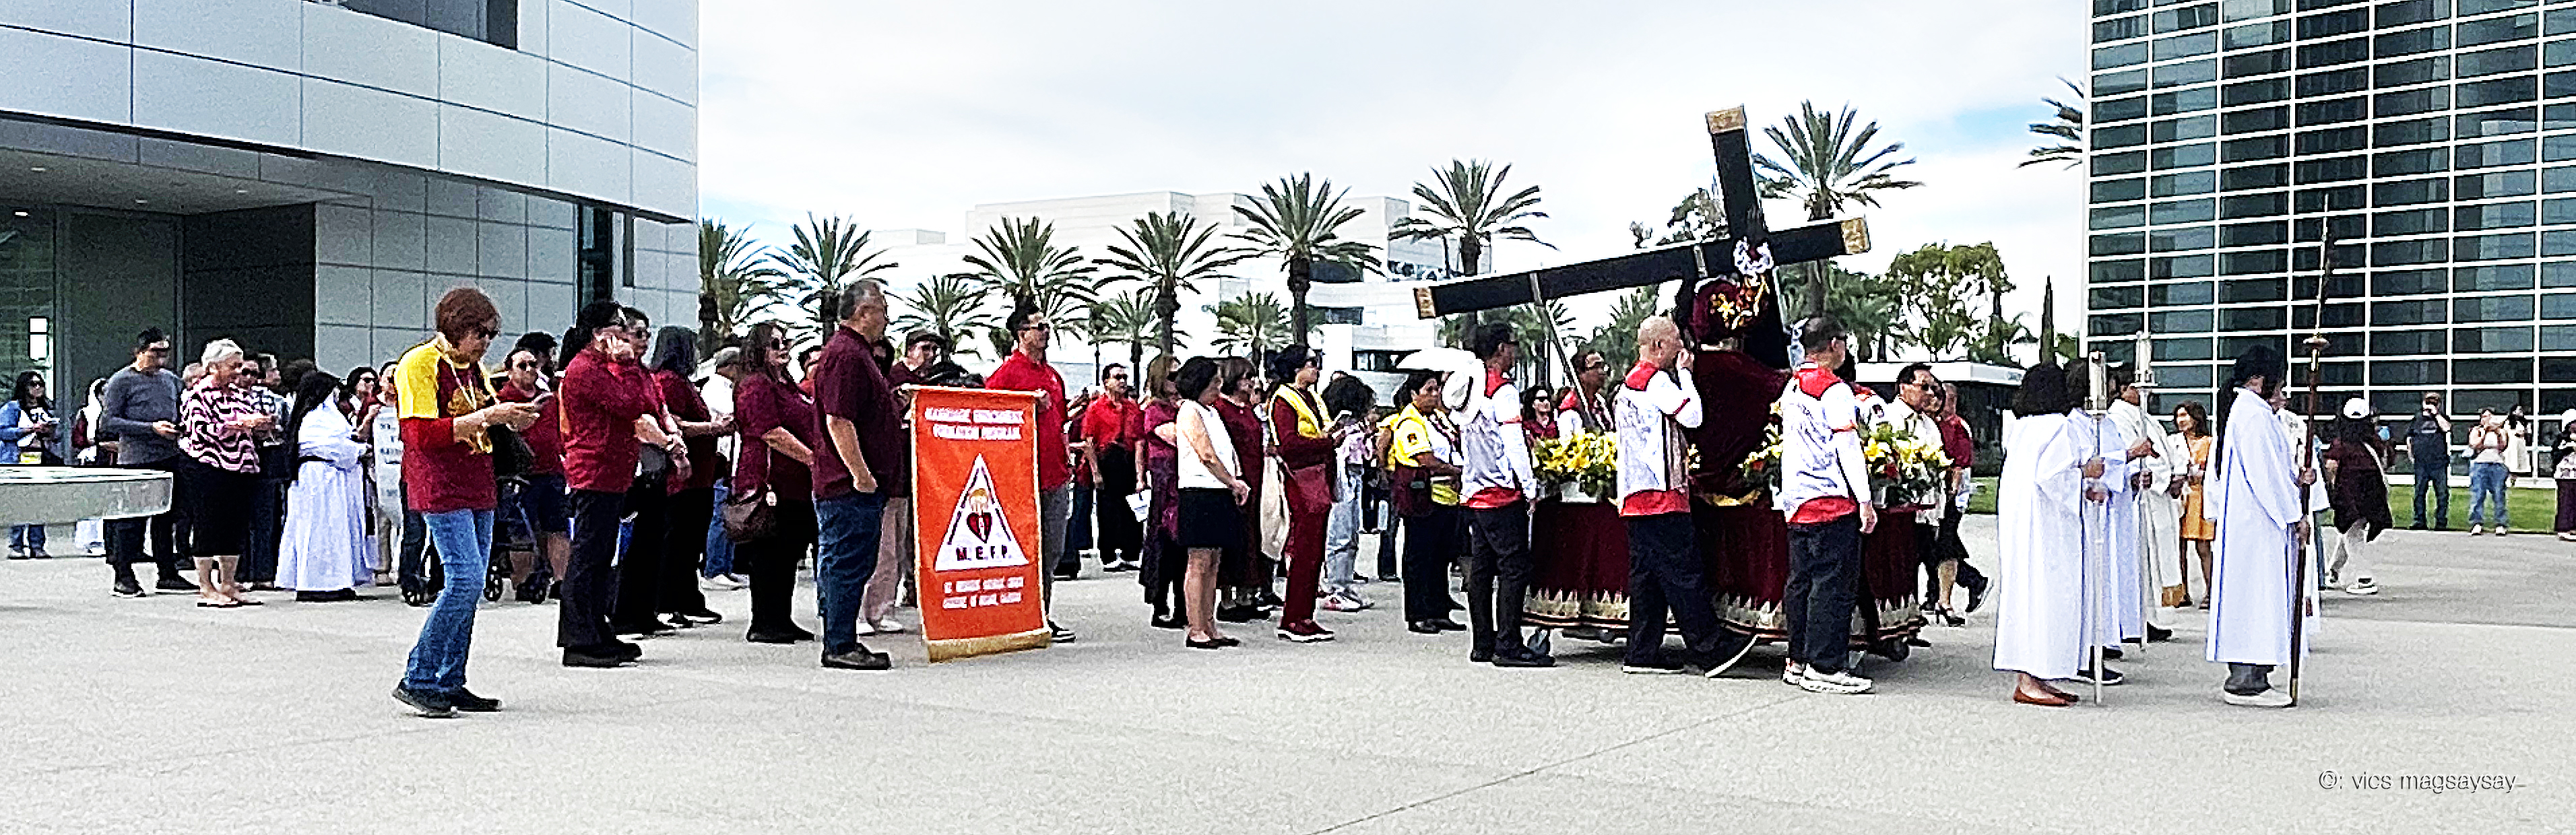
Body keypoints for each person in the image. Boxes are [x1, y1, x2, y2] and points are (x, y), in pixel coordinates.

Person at [390, 289, 540, 716]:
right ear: (457, 328)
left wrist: (511, 415)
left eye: (492, 334)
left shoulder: (473, 369)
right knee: (466, 579)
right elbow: (420, 435)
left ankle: (450, 679)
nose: (487, 342)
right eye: (481, 333)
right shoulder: (419, 364)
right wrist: (491, 417)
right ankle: (419, 676)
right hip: (440, 484)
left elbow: (484, 420)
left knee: (469, 583)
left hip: (478, 483)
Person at [556, 302, 678, 668]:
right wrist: (625, 365)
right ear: (599, 333)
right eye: (619, 327)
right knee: (589, 557)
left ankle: (598, 630)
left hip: (611, 471)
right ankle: (579, 638)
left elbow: (645, 398)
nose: (626, 334)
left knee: (600, 556)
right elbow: (630, 404)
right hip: (594, 471)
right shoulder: (585, 370)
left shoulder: (602, 367)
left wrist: (629, 365)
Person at [1614, 316, 1735, 677]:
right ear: (1658, 347)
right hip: (1661, 494)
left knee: (1647, 578)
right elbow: (1694, 417)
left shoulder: (1625, 387)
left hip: (1635, 495)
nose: (1681, 349)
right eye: (1675, 343)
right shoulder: (1657, 383)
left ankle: (1642, 651)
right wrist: (1686, 375)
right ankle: (1710, 649)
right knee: (1684, 573)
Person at [2204, 345, 2317, 708]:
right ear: (2257, 380)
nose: (2283, 391)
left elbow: (2273, 468)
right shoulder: (2252, 417)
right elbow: (2264, 475)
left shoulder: (2253, 414)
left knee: (2260, 595)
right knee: (2256, 595)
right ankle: (2246, 679)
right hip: (2258, 525)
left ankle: (2255, 673)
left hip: (2258, 522)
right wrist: (2293, 514)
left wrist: (2297, 479)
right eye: (2278, 383)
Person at [1774, 318, 1877, 695]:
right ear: (1834, 344)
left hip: (1799, 499)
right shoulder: (1834, 391)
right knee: (1832, 586)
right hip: (1831, 500)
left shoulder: (1792, 388)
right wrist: (1864, 501)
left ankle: (1798, 659)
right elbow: (1847, 448)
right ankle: (1825, 664)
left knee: (1800, 583)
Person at [812, 283, 906, 669]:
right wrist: (861, 474)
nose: (886, 317)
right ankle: (840, 643)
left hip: (862, 484)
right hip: (848, 487)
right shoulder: (846, 355)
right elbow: (839, 420)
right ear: (863, 312)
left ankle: (843, 638)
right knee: (847, 563)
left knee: (856, 561)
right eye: (881, 309)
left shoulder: (859, 355)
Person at [1992, 364, 2094, 707]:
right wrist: (2085, 474)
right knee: (2049, 594)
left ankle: (2037, 674)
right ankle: (2030, 677)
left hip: (2022, 521)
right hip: (2049, 525)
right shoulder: (2058, 426)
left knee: (2029, 594)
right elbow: (2053, 476)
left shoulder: (2021, 428)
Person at [1453, 323, 1547, 668]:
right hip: (1502, 490)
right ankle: (1508, 642)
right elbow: (1514, 444)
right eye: (1512, 345)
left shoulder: (1470, 389)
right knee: (1513, 568)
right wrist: (1529, 484)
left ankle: (1483, 642)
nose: (1515, 351)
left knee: (1481, 569)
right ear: (1499, 349)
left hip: (1475, 488)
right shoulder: (1503, 391)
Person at [984, 302, 1076, 643]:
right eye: (1039, 327)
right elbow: (988, 412)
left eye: (1047, 326)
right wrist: (1024, 404)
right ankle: (1020, 613)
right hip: (1022, 475)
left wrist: (1067, 458)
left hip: (1055, 471)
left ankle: (1042, 613)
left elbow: (1061, 423)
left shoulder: (1052, 375)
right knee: (1026, 548)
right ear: (1021, 334)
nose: (1046, 332)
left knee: (1052, 547)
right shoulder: (1008, 374)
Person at [730, 323, 820, 643]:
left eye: (786, 342)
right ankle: (765, 622)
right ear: (759, 350)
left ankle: (781, 617)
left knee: (788, 552)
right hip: (769, 482)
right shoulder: (756, 385)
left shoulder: (787, 385)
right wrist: (813, 459)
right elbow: (770, 432)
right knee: (770, 554)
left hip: (796, 483)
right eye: (774, 344)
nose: (783, 348)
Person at [175, 339, 273, 609]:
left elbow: (251, 421)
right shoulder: (197, 395)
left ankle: (229, 584)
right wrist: (241, 424)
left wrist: (261, 424)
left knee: (235, 525)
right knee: (209, 524)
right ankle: (206, 587)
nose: (239, 372)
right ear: (214, 367)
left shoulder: (240, 394)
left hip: (241, 466)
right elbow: (201, 430)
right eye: (234, 366)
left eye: (241, 366)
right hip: (206, 466)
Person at [645, 327, 731, 628]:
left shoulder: (684, 383)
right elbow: (675, 423)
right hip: (684, 476)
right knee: (678, 541)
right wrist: (714, 429)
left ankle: (687, 597)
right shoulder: (669, 382)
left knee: (690, 542)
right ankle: (668, 601)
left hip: (702, 474)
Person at [100, 329, 195, 596]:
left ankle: (168, 572)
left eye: (165, 353)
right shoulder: (121, 381)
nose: (161, 360)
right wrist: (151, 428)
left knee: (167, 517)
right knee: (132, 520)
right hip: (136, 460)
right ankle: (123, 575)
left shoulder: (169, 380)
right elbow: (108, 422)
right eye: (155, 353)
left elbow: (183, 407)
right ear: (139, 352)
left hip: (169, 455)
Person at [1173, 357, 1249, 649]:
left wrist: (1234, 478)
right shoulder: (1190, 410)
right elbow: (1205, 453)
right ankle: (1195, 627)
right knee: (1199, 560)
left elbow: (1225, 450)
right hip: (1199, 489)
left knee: (1215, 560)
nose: (1219, 386)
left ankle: (1209, 622)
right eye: (1214, 381)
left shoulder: (1213, 412)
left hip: (1219, 489)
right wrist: (1231, 480)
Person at [278, 369, 371, 602]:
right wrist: (360, 450)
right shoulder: (316, 418)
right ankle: (317, 582)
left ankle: (337, 581)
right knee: (321, 529)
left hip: (330, 478)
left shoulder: (322, 418)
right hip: (321, 478)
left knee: (334, 529)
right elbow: (333, 447)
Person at [1266, 345, 1338, 642]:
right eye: (1311, 364)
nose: (1316, 369)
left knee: (1314, 550)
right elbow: (1290, 444)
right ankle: (1293, 617)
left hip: (1318, 475)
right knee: (1304, 548)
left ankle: (1305, 615)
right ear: (1296, 367)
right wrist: (1326, 442)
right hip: (1299, 477)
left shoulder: (1313, 398)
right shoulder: (1283, 400)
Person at [2102, 365, 2179, 641]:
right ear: (2123, 390)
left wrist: (2175, 474)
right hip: (2136, 500)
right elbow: (2126, 453)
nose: (2142, 392)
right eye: (2135, 387)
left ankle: (2145, 617)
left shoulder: (2144, 417)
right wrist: (2145, 477)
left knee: (2148, 566)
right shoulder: (2119, 416)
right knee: (2136, 562)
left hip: (2155, 498)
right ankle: (2133, 621)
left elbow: (2164, 451)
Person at [1388, 370, 1467, 636]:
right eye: (1429, 390)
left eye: (1437, 390)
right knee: (1419, 557)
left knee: (1441, 557)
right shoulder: (1410, 422)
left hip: (1446, 496)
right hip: (1422, 496)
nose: (1435, 395)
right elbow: (1426, 459)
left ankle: (1438, 609)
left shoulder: (1437, 418)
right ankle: (1419, 613)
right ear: (1414, 394)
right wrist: (1458, 471)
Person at [496, 345, 570, 601]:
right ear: (509, 371)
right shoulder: (503, 399)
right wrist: (529, 408)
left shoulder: (550, 398)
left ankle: (561, 580)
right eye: (523, 366)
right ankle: (523, 580)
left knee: (557, 527)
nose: (530, 370)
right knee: (521, 531)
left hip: (552, 470)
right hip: (521, 474)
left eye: (533, 365)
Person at [1212, 358, 1270, 622]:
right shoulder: (1221, 408)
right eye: (1246, 376)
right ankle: (1226, 599)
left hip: (1257, 477)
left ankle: (1247, 594)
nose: (1251, 382)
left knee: (1252, 538)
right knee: (1233, 538)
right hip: (1235, 478)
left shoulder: (1248, 409)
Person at [1931, 382, 1990, 617]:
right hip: (1936, 494)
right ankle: (1938, 594)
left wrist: (1952, 494)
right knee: (1940, 544)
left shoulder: (1958, 427)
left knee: (1945, 543)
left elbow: (1960, 464)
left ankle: (1971, 581)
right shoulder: (1935, 424)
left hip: (1952, 496)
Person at [1137, 356, 1188, 628]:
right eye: (1171, 376)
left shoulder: (1184, 407)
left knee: (1184, 546)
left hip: (1183, 480)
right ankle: (1160, 603)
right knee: (1163, 543)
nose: (1176, 382)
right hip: (1164, 481)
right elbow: (1178, 436)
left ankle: (1182, 602)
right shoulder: (1155, 409)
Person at [2322, 398, 2391, 597]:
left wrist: (2332, 487)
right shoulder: (2374, 442)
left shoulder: (2341, 444)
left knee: (2353, 533)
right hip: (2373, 493)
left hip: (2350, 493)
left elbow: (2332, 467)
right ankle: (2333, 571)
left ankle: (2365, 579)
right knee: (2351, 529)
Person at [1320, 374, 1377, 611]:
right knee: (1340, 533)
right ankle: (1335, 587)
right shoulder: (1339, 425)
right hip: (1342, 476)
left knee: (1352, 534)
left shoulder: (1357, 426)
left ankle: (1345, 584)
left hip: (1355, 474)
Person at [1082, 363, 1144, 574]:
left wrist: (1140, 475)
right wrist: (1096, 472)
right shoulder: (1096, 409)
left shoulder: (1132, 408)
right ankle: (1108, 554)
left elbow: (1138, 440)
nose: (1122, 382)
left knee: (1132, 508)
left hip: (1127, 458)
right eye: (1117, 377)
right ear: (1106, 381)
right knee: (1108, 510)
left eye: (1125, 378)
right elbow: (1089, 441)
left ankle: (1131, 552)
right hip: (1107, 459)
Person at [699, 346, 748, 591]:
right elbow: (735, 414)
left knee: (729, 514)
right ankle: (714, 568)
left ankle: (726, 566)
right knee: (719, 515)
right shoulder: (715, 388)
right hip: (721, 458)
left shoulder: (727, 388)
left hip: (731, 459)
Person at [5, 370, 61, 558]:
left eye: (41, 385)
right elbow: (3, 432)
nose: (37, 388)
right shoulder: (13, 408)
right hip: (19, 458)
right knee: (20, 501)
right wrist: (29, 429)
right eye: (33, 385)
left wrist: (49, 431)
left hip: (40, 458)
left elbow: (58, 437)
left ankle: (37, 544)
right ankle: (17, 544)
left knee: (40, 500)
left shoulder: (46, 409)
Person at [2172, 401, 2217, 608]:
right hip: (2180, 495)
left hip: (2200, 495)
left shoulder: (2209, 442)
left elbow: (2216, 469)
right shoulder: (2173, 442)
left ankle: (2211, 590)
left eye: (2185, 415)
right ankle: (2182, 592)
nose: (2181, 421)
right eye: (2178, 416)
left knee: (2203, 546)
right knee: (2179, 547)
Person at [2404, 392, 2452, 530]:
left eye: (2435, 402)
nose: (2431, 405)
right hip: (2421, 463)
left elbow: (2447, 428)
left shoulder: (2442, 418)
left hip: (2439, 462)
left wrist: (2436, 414)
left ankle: (2441, 522)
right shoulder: (2417, 419)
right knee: (2419, 493)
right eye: (2429, 402)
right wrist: (2411, 454)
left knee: (2442, 494)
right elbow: (2409, 437)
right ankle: (2420, 521)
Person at [2466, 408, 2513, 535]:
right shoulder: (2476, 430)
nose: (2488, 419)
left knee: (2499, 495)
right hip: (2480, 464)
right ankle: (2476, 523)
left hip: (2497, 464)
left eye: (2490, 417)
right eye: (2485, 417)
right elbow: (2475, 445)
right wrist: (2485, 433)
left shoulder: (2501, 431)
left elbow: (2503, 446)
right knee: (2478, 494)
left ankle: (2501, 523)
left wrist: (2497, 432)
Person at [1557, 349, 1613, 433]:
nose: (1602, 372)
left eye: (1602, 367)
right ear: (1580, 374)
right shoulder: (1570, 410)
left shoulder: (1600, 402)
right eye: (1596, 367)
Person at [2551, 410, 2576, 542]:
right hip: (2565, 475)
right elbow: (2556, 455)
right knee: (2566, 501)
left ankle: (2574, 526)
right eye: (2573, 423)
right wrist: (2569, 447)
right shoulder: (2562, 439)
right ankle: (2563, 527)